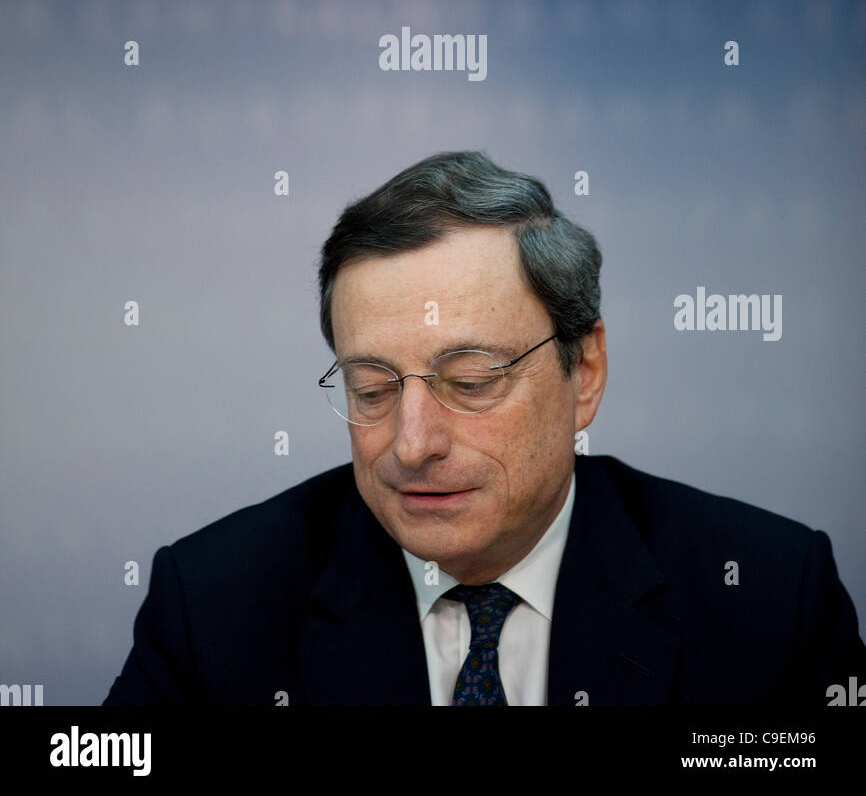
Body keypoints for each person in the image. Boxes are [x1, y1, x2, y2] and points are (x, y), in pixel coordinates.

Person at [103, 150, 866, 705]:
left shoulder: (768, 596)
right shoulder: (213, 602)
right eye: (372, 389)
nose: (412, 443)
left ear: (585, 371)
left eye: (470, 382)